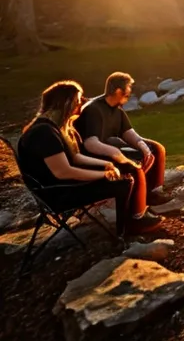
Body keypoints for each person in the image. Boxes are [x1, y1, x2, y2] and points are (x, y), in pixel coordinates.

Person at [16, 81, 160, 236]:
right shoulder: (44, 133)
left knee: (126, 168)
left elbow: (76, 158)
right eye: (77, 101)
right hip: (58, 193)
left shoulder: (55, 127)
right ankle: (128, 229)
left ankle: (137, 215)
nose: (81, 105)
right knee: (124, 182)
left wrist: (108, 165)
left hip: (63, 184)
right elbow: (63, 172)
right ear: (66, 104)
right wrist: (104, 175)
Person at [75, 72, 170, 213]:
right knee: (133, 161)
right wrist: (117, 153)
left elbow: (127, 132)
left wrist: (143, 145)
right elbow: (90, 144)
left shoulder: (116, 109)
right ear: (119, 91)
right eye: (128, 90)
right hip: (94, 157)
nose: (130, 93)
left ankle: (153, 193)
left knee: (156, 149)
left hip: (108, 149)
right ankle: (137, 208)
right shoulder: (93, 109)